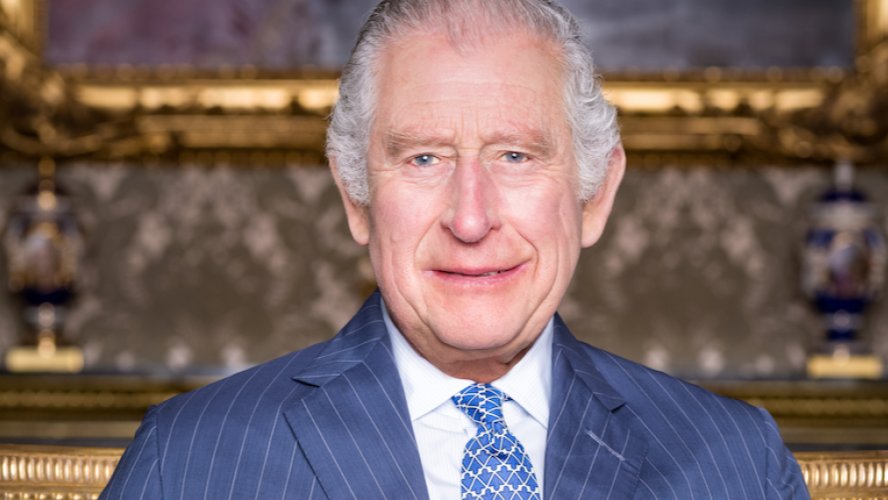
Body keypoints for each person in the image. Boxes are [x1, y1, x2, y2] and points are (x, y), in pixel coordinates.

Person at [101, 0, 809, 498]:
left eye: (515, 156)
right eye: (424, 159)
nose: (470, 220)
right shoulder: (190, 461)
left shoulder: (736, 464)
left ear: (595, 194)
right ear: (355, 197)